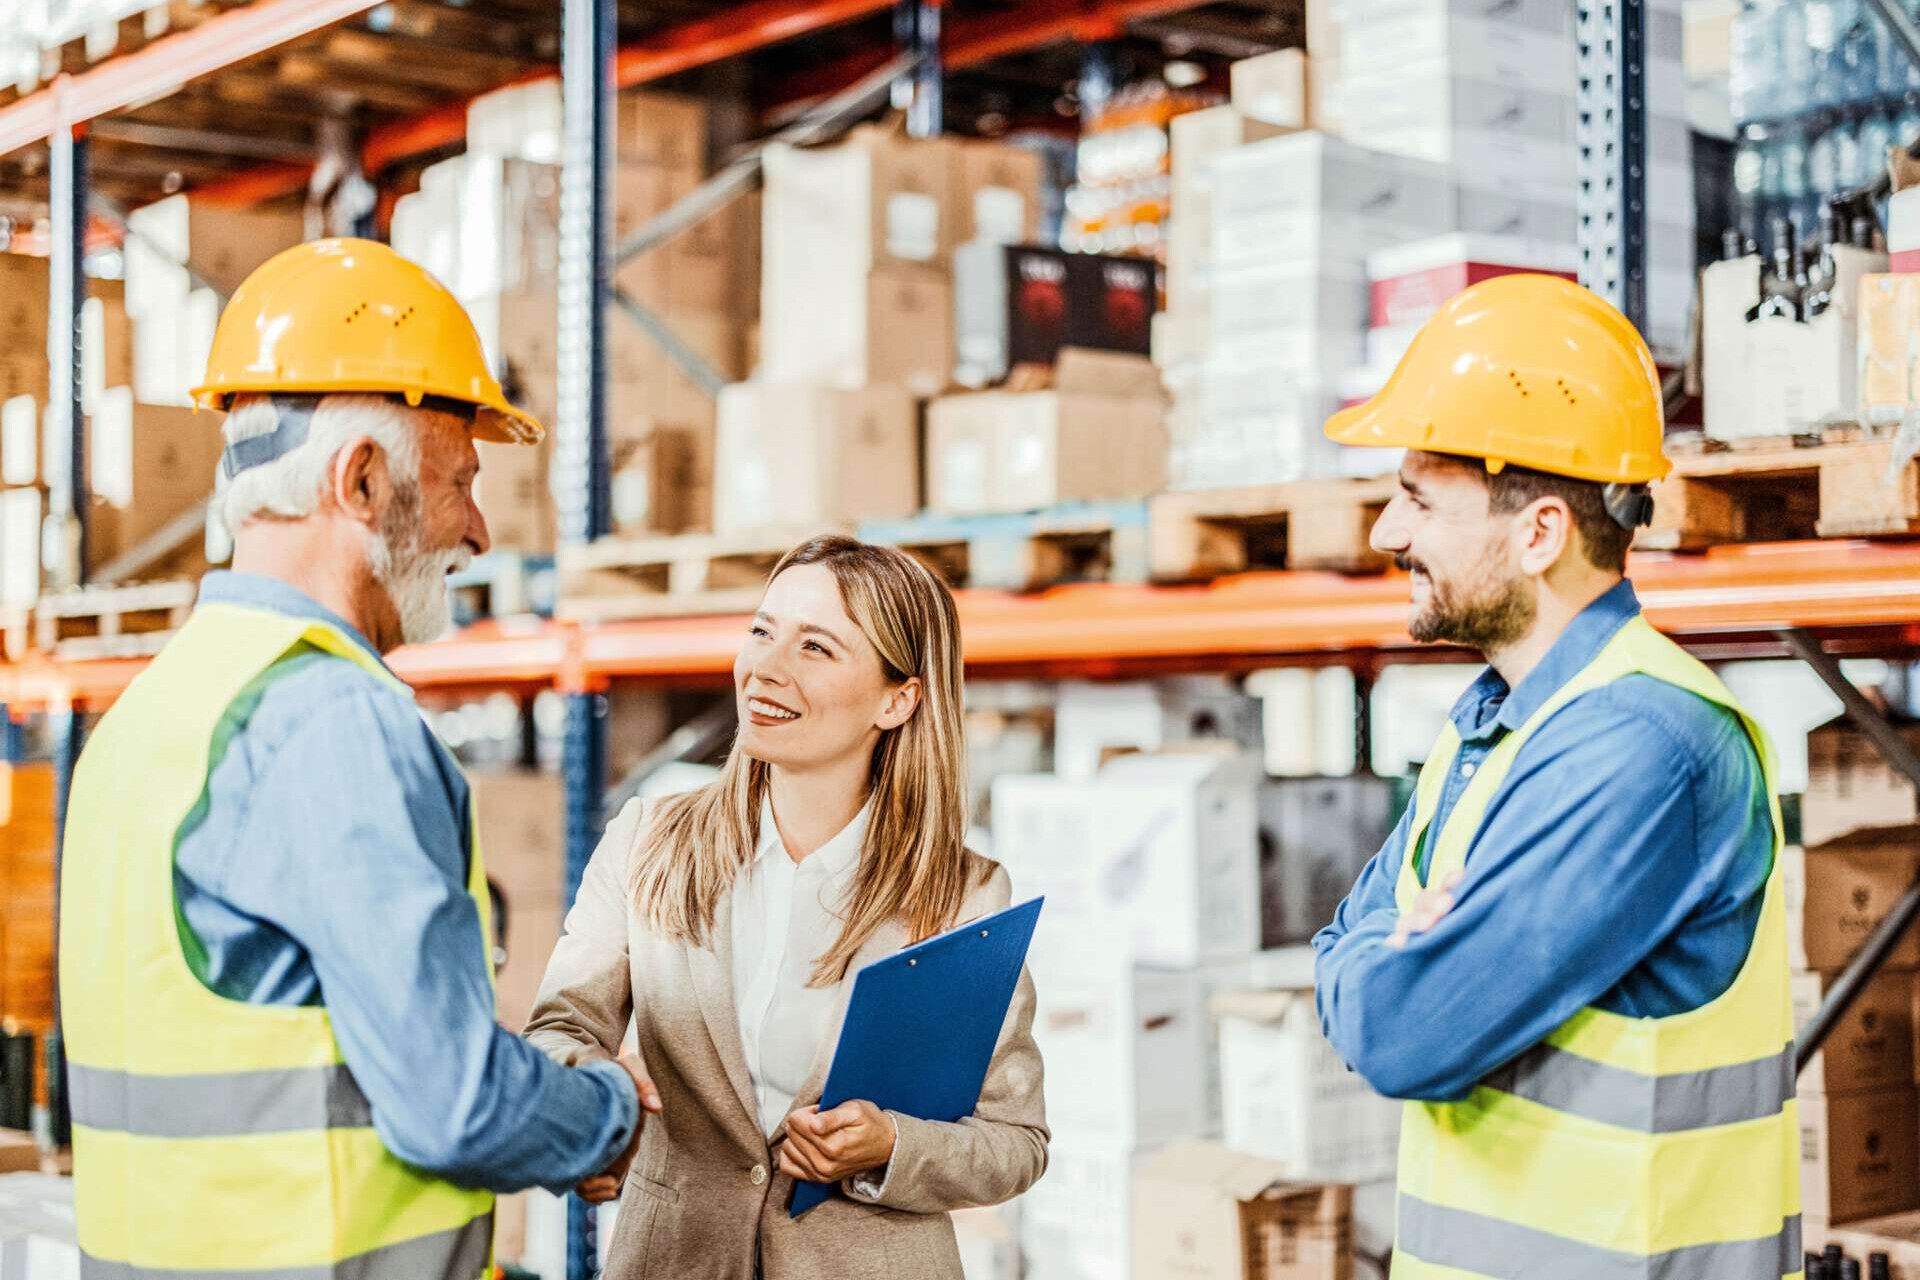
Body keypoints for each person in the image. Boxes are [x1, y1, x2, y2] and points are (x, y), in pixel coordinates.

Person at [59, 239, 649, 1278]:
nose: (477, 526)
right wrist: (606, 1112)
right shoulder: (334, 721)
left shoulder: (159, 706)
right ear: (363, 478)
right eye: (459, 479)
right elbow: (454, 1104)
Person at [1312, 275, 1798, 1277]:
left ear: (1538, 533)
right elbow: (1350, 948)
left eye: (1417, 498)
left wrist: (1382, 963)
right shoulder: (1496, 724)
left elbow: (1400, 1033)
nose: (1384, 534)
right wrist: (1377, 956)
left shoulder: (1643, 746)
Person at [525, 535, 1048, 1280]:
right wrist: (586, 1106)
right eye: (762, 632)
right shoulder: (651, 842)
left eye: (816, 648)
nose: (765, 670)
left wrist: (892, 1146)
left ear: (899, 699)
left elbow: (1014, 1141)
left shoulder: (960, 896)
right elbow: (561, 1027)